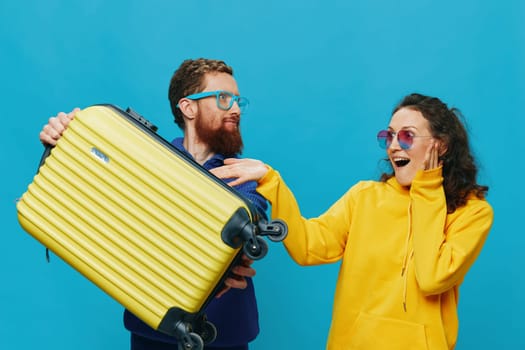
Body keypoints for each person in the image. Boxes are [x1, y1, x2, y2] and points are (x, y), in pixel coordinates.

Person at [210, 93, 494, 349]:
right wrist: (273, 183)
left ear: (440, 145)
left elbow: (432, 278)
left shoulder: (473, 213)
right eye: (389, 136)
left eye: (407, 136)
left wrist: (429, 190)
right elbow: (308, 247)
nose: (394, 146)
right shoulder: (365, 197)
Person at [39, 58, 267, 350]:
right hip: (153, 330)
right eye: (223, 99)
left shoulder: (242, 172)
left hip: (223, 336)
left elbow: (253, 209)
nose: (235, 109)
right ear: (188, 107)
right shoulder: (142, 158)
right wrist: (62, 139)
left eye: (237, 100)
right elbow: (98, 195)